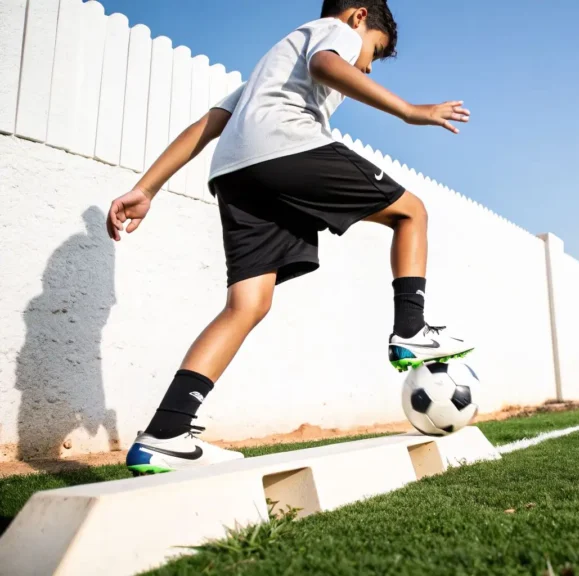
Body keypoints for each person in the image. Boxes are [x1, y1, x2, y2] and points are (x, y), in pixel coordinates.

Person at [106, 0, 473, 474]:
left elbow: (208, 125)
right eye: (372, 53)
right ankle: (410, 330)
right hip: (284, 147)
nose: (365, 65)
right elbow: (327, 64)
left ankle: (166, 433)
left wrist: (146, 188)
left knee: (247, 305)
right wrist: (407, 111)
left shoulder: (269, 69)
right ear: (359, 17)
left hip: (237, 174)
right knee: (411, 212)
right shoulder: (331, 31)